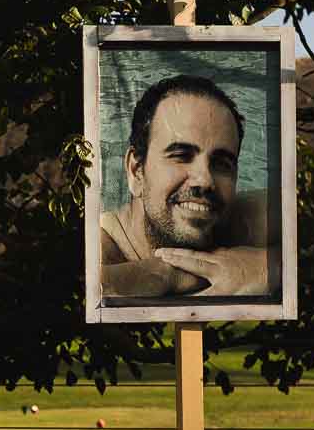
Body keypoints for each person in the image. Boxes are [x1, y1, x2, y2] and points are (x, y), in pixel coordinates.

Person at [99, 73, 275, 301]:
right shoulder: (101, 247)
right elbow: (91, 288)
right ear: (136, 171)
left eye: (222, 163)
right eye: (181, 155)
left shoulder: (234, 219)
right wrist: (166, 274)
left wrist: (271, 265)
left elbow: (308, 228)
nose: (205, 180)